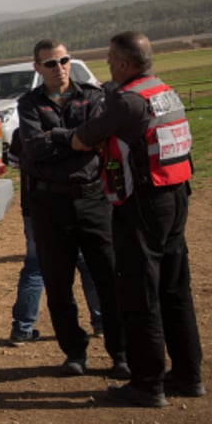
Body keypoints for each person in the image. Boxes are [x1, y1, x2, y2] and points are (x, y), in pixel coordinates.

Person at [73, 31, 204, 408]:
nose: (108, 63)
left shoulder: (128, 102)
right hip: (176, 197)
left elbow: (83, 139)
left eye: (112, 57)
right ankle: (188, 374)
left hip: (142, 205)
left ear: (126, 64)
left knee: (140, 292)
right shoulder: (166, 91)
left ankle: (147, 384)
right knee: (175, 288)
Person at [17, 39, 127, 379]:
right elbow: (34, 148)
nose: (60, 67)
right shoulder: (28, 104)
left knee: (109, 279)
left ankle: (120, 354)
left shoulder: (93, 96)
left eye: (64, 60)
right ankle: (74, 353)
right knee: (58, 284)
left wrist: (58, 139)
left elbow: (96, 138)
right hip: (50, 205)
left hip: (93, 200)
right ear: (37, 68)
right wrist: (76, 139)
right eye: (51, 63)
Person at [7, 129, 104, 345]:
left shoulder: (23, 132)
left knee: (35, 265)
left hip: (34, 206)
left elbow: (14, 162)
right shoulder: (76, 132)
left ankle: (22, 328)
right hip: (72, 203)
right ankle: (101, 322)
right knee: (86, 262)